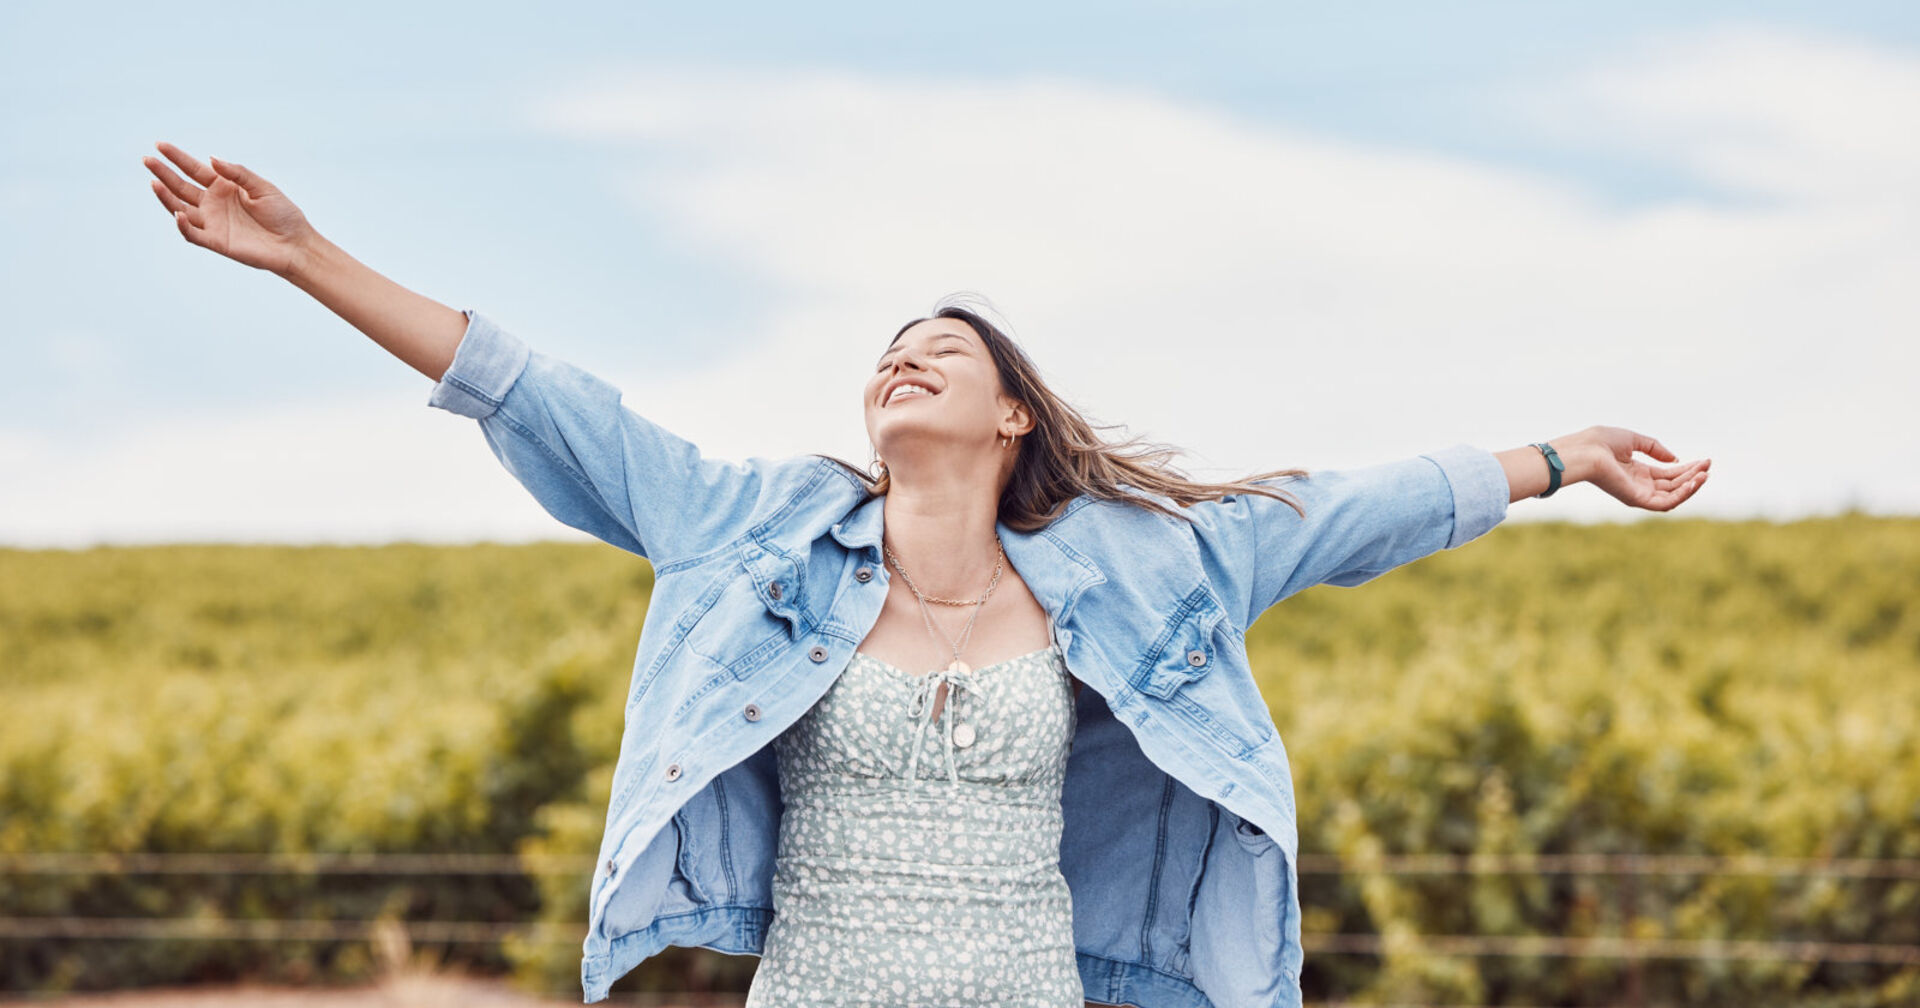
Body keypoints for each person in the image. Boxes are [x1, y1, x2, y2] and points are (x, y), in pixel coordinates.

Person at [143, 141, 1711, 1008]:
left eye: (945, 348)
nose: (906, 356)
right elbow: (544, 399)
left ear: (1015, 412)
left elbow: (1349, 509)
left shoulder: (1146, 565)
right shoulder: (755, 531)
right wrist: (309, 258)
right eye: (890, 350)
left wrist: (1560, 454)